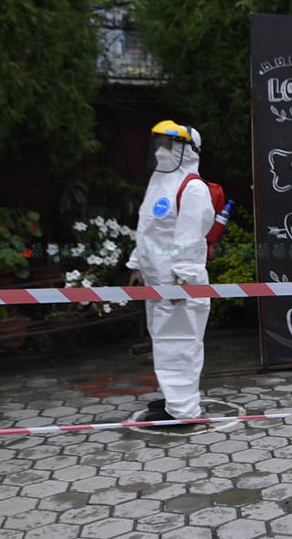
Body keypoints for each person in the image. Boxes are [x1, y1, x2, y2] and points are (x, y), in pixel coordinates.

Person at [127, 120, 215, 424]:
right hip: (158, 282)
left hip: (178, 285)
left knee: (180, 345)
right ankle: (175, 399)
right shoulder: (159, 181)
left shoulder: (192, 187)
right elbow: (147, 228)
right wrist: (137, 264)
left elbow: (191, 238)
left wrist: (184, 280)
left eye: (169, 144)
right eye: (160, 144)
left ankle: (183, 411)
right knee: (166, 345)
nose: (161, 151)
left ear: (186, 150)